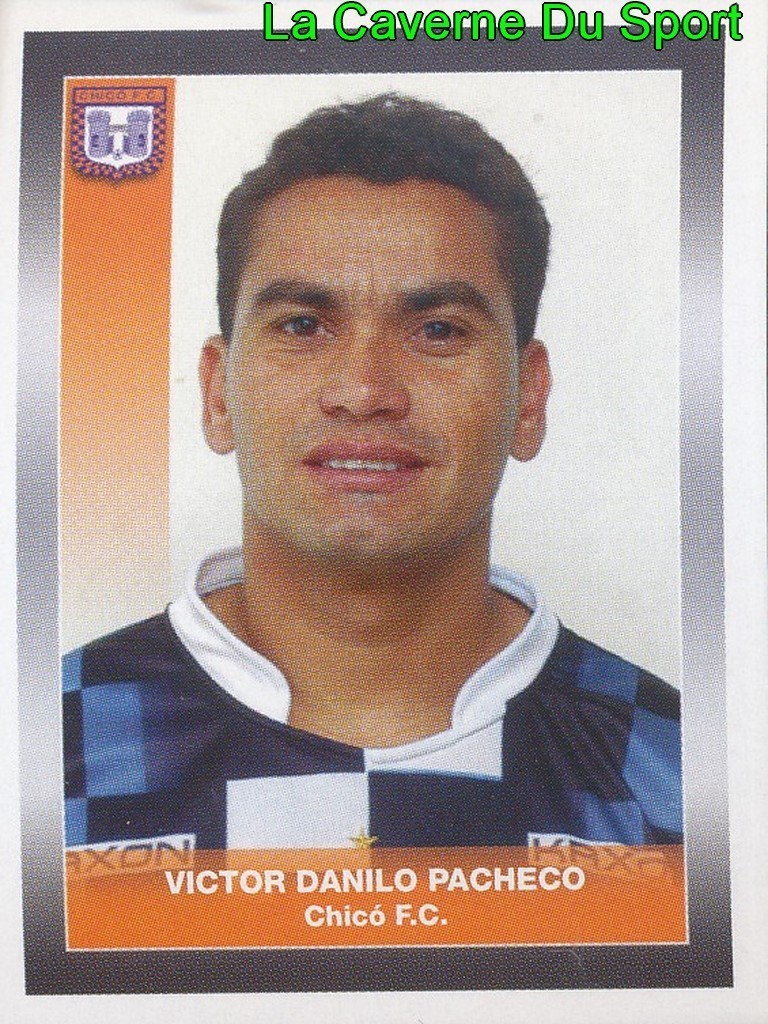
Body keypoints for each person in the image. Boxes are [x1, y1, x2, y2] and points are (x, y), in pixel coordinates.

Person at [63, 94, 681, 852]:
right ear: (217, 394)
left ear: (529, 398)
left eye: (439, 330)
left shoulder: (680, 768)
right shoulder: (43, 745)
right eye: (303, 325)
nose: (363, 390)